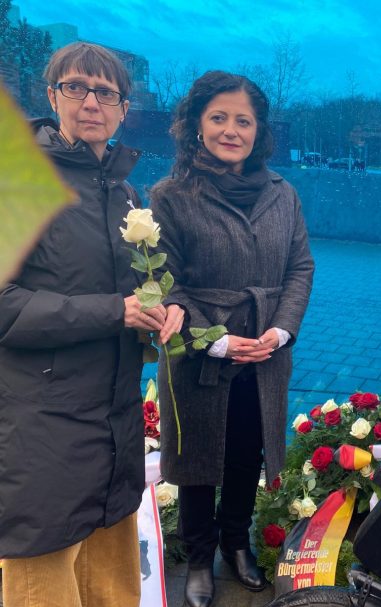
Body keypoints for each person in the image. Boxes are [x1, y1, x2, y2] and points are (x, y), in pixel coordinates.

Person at [0, 42, 181, 607]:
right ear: (52, 96)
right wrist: (114, 312)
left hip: (113, 424)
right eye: (75, 87)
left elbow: (137, 286)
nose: (90, 102)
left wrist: (164, 307)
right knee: (43, 585)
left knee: (112, 587)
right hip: (43, 427)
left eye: (105, 92)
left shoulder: (124, 193)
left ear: (124, 109)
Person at [149, 70, 314, 607]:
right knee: (197, 458)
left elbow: (300, 267)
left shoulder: (283, 194)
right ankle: (199, 557)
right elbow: (163, 283)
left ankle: (235, 544)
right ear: (196, 125)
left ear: (258, 130)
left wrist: (281, 330)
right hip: (200, 352)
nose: (231, 130)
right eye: (218, 117)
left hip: (264, 351)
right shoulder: (170, 196)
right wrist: (215, 341)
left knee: (247, 451)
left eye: (243, 120)